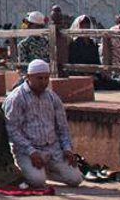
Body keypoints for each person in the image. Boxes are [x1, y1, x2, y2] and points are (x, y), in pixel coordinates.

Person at [4, 60, 81, 188]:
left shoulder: (52, 97)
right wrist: (31, 151)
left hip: (53, 148)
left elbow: (63, 127)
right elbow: (12, 130)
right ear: (28, 77)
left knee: (76, 179)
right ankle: (29, 171)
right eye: (39, 78)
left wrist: (67, 149)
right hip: (28, 150)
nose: (43, 82)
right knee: (37, 181)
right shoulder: (16, 98)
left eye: (46, 78)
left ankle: (47, 171)